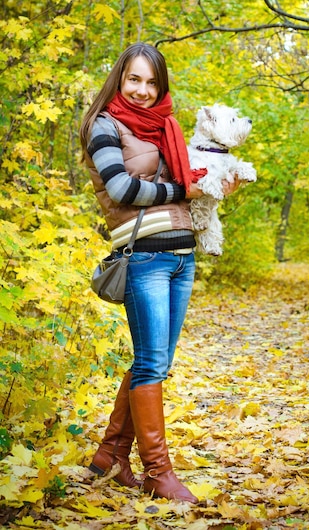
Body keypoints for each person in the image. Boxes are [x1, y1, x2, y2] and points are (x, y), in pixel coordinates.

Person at [79, 43, 239, 504]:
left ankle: (109, 455)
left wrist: (214, 184)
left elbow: (187, 189)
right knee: (151, 362)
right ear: (120, 79)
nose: (144, 90)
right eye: (135, 79)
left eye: (152, 82)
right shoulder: (103, 126)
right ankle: (157, 472)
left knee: (157, 363)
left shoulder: (166, 127)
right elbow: (122, 187)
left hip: (181, 255)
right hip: (143, 256)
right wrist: (183, 187)